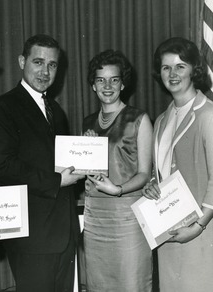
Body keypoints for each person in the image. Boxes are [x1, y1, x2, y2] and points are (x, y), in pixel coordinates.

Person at [0, 34, 84, 292]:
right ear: (21, 61)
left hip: (64, 235)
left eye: (52, 65)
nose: (45, 71)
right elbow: (3, 167)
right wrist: (58, 180)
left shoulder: (56, 111)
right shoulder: (3, 108)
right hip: (33, 239)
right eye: (38, 62)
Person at [142, 37, 213, 292]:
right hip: (170, 231)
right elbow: (161, 170)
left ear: (194, 69)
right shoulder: (162, 119)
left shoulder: (209, 115)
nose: (172, 74)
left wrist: (198, 226)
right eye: (165, 67)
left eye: (180, 66)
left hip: (203, 233)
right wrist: (151, 185)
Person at [82, 49, 153, 292]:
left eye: (114, 79)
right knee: (98, 285)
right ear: (93, 85)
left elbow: (144, 174)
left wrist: (118, 189)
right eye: (101, 80)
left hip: (127, 217)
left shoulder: (139, 119)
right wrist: (88, 148)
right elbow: (89, 172)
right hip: (95, 218)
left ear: (123, 84)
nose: (108, 86)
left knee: (131, 283)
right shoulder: (88, 122)